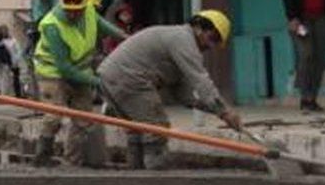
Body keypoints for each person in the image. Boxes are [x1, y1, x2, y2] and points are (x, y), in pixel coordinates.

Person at [98, 11, 243, 170]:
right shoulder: (183, 40)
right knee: (157, 128)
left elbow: (185, 96)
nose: (211, 46)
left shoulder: (176, 43)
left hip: (111, 77)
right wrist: (225, 111)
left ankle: (137, 175)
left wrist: (218, 112)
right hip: (128, 78)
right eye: (212, 38)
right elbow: (201, 80)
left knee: (139, 129)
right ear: (199, 28)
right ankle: (157, 174)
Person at [31, 0, 126, 167]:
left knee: (83, 118)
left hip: (80, 69)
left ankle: (72, 161)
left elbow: (107, 28)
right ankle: (42, 157)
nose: (73, 13)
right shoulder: (52, 25)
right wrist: (96, 81)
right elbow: (65, 69)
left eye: (78, 9)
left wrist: (128, 39)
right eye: (69, 9)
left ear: (85, 4)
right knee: (54, 116)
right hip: (52, 72)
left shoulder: (89, 11)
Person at [0, 25, 21, 97]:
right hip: (4, 62)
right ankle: (4, 94)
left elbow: (18, 51)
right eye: (3, 31)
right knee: (4, 79)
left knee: (13, 79)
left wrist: (16, 60)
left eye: (6, 31)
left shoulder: (13, 40)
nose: (4, 32)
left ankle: (16, 94)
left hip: (13, 62)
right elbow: (1, 53)